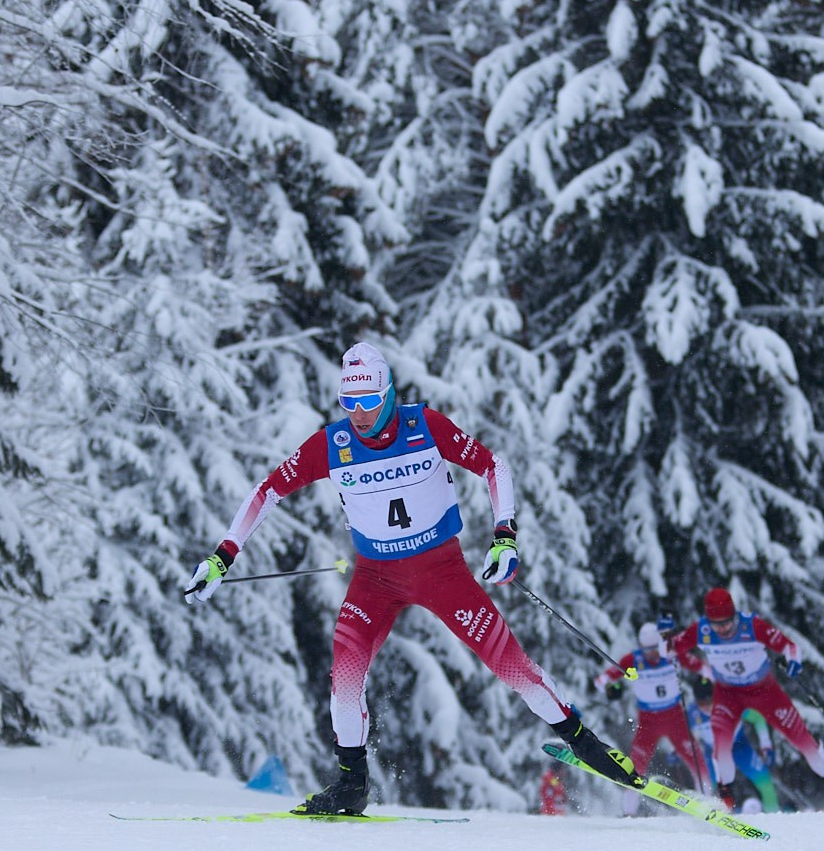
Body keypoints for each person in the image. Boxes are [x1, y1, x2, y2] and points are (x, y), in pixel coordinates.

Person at [186, 340, 633, 815]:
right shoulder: (332, 444)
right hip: (375, 580)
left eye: (369, 401)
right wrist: (222, 557)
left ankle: (587, 744)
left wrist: (505, 534)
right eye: (348, 403)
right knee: (344, 679)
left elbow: (492, 464)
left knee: (513, 669)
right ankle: (350, 785)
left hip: (442, 572)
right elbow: (267, 490)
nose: (358, 414)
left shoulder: (425, 426)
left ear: (389, 394)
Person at [669, 588, 824, 808]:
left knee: (800, 737)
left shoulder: (752, 626)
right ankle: (725, 797)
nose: (722, 629)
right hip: (727, 693)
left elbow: (790, 646)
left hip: (764, 691)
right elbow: (671, 648)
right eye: (716, 624)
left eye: (727, 623)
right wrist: (666, 639)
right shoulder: (701, 630)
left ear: (735, 615)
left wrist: (793, 660)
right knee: (721, 742)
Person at [601, 620, 711, 795]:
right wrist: (611, 689)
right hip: (648, 720)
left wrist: (705, 683)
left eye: (655, 647)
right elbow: (603, 680)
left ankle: (709, 799)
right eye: (647, 649)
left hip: (675, 718)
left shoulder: (673, 655)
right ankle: (629, 810)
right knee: (635, 765)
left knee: (696, 758)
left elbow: (705, 670)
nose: (652, 653)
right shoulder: (633, 659)